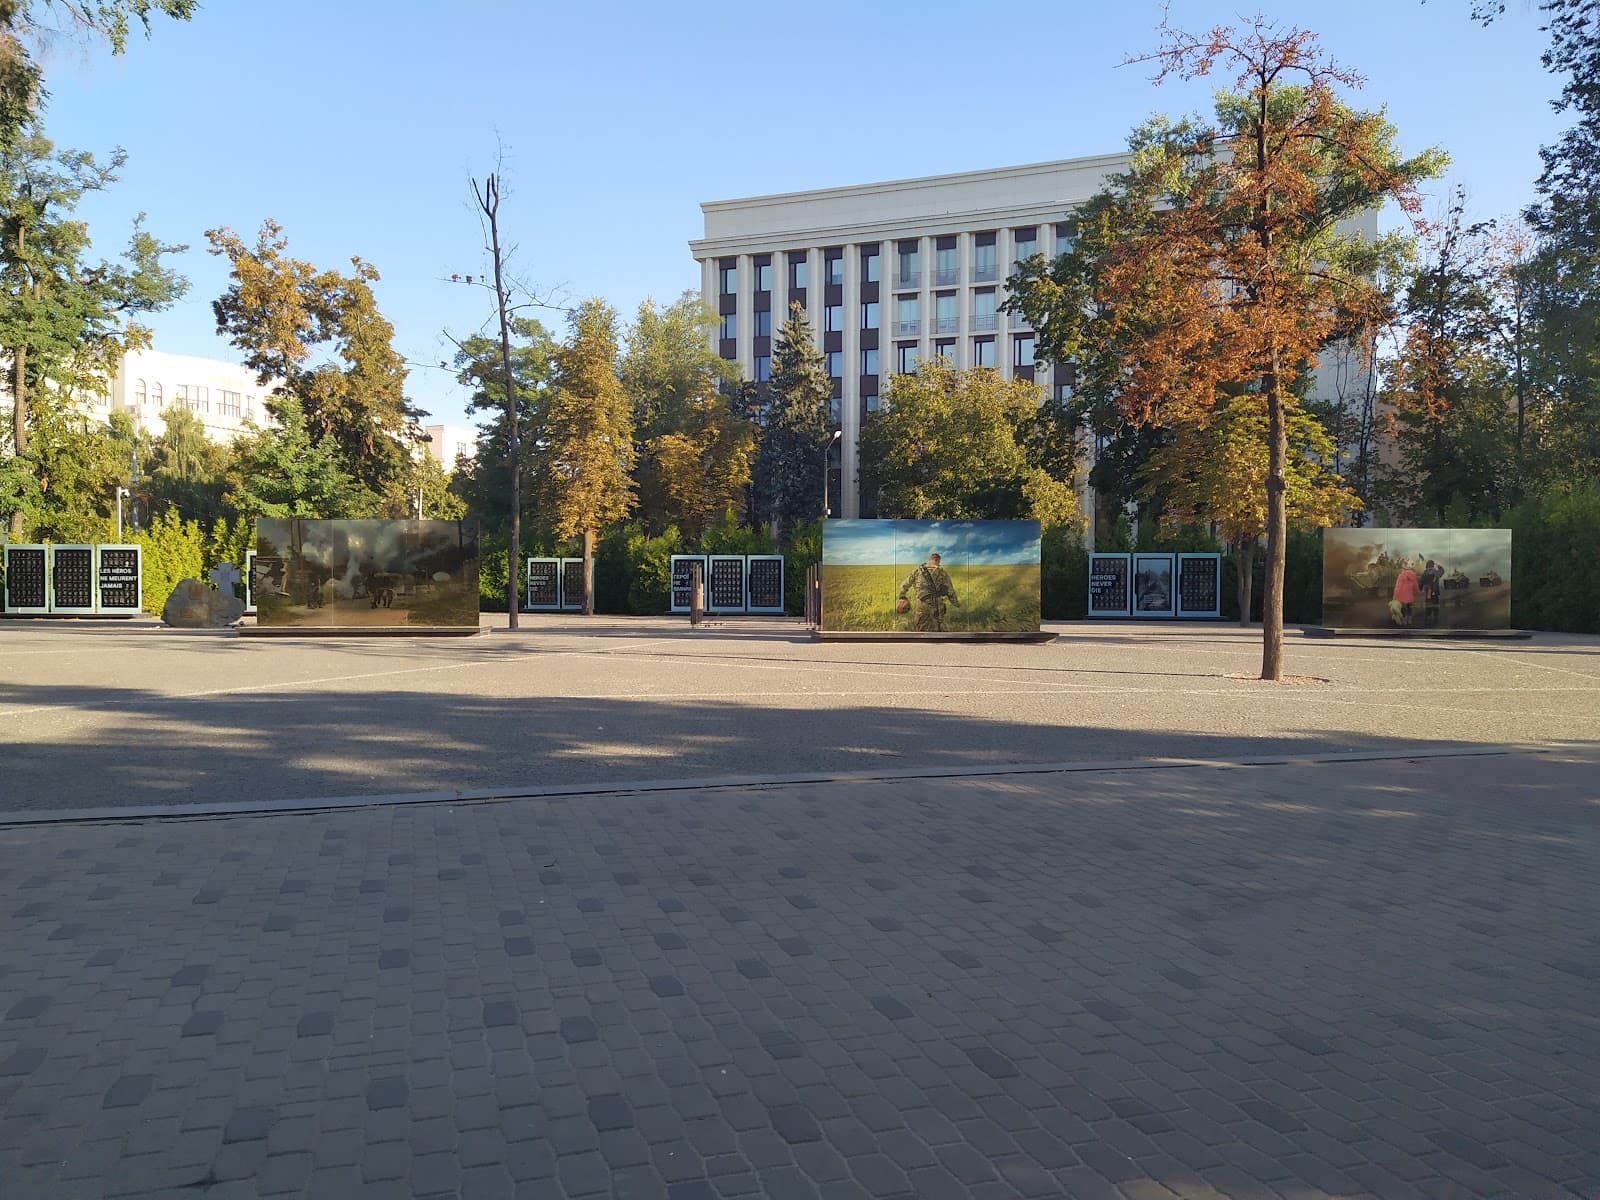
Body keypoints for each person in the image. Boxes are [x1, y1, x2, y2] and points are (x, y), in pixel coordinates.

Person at [898, 552, 959, 632]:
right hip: (937, 605)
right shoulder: (942, 572)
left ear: (930, 559)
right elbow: (950, 591)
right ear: (938, 560)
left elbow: (904, 585)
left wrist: (902, 597)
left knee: (921, 627)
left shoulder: (917, 570)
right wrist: (956, 604)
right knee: (937, 629)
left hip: (922, 603)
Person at [1392, 557, 1420, 626]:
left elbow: (1398, 587)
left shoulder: (1401, 575)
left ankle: (1404, 620)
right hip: (1409, 596)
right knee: (1409, 607)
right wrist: (1418, 592)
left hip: (1401, 596)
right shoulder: (1414, 575)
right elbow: (1416, 586)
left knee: (1403, 608)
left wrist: (1395, 596)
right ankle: (1409, 620)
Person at [1419, 558, 1443, 627]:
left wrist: (1420, 589)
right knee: (1435, 605)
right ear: (1432, 565)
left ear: (1427, 565)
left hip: (1428, 593)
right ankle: (1436, 618)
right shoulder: (1436, 572)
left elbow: (1421, 582)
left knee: (1428, 605)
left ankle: (1428, 619)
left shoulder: (1424, 573)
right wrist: (1438, 566)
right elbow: (1442, 571)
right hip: (1435, 592)